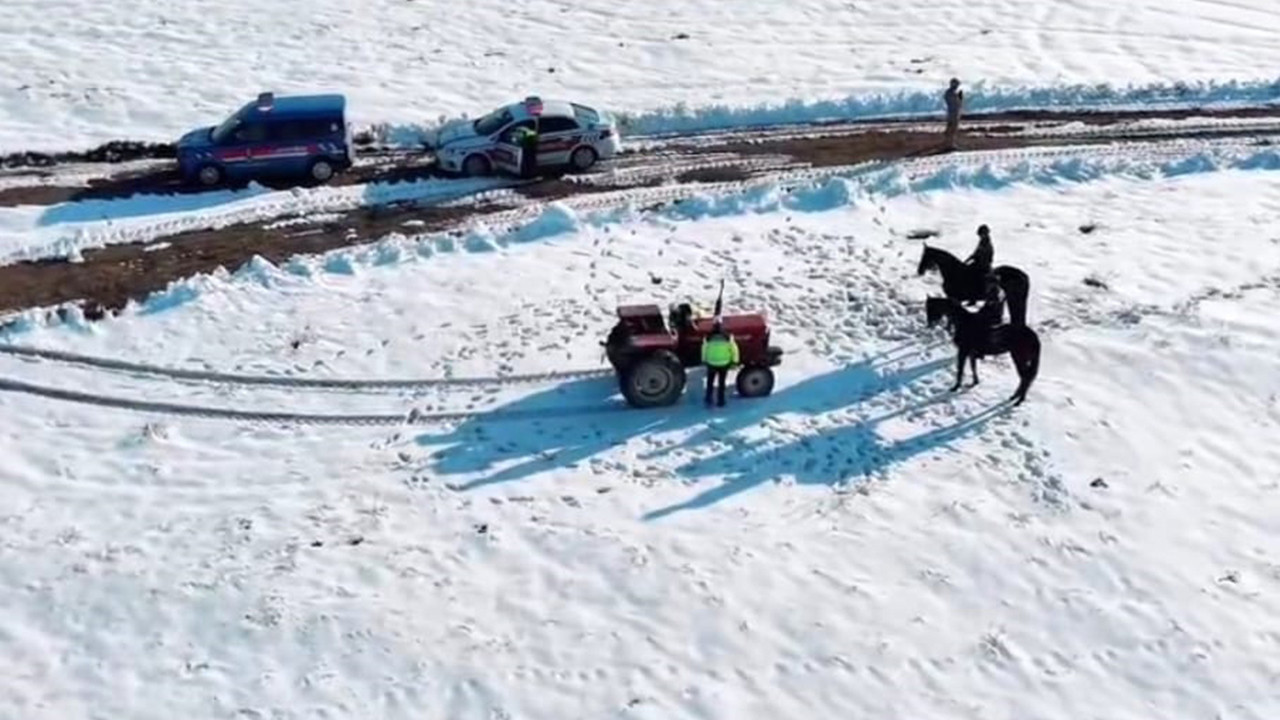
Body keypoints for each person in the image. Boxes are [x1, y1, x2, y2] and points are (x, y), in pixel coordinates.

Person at [701, 319, 740, 407]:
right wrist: (735, 360)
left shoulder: (708, 337)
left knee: (710, 382)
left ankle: (708, 399)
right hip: (724, 363)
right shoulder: (728, 337)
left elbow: (704, 349)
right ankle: (721, 401)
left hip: (711, 362)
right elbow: (734, 349)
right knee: (721, 383)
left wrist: (704, 360)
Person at [943, 78, 964, 150]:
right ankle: (949, 144)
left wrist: (960, 98)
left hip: (955, 113)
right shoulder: (950, 93)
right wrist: (958, 98)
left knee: (954, 129)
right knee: (951, 129)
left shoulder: (952, 93)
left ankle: (951, 143)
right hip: (952, 114)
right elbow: (954, 103)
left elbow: (958, 104)